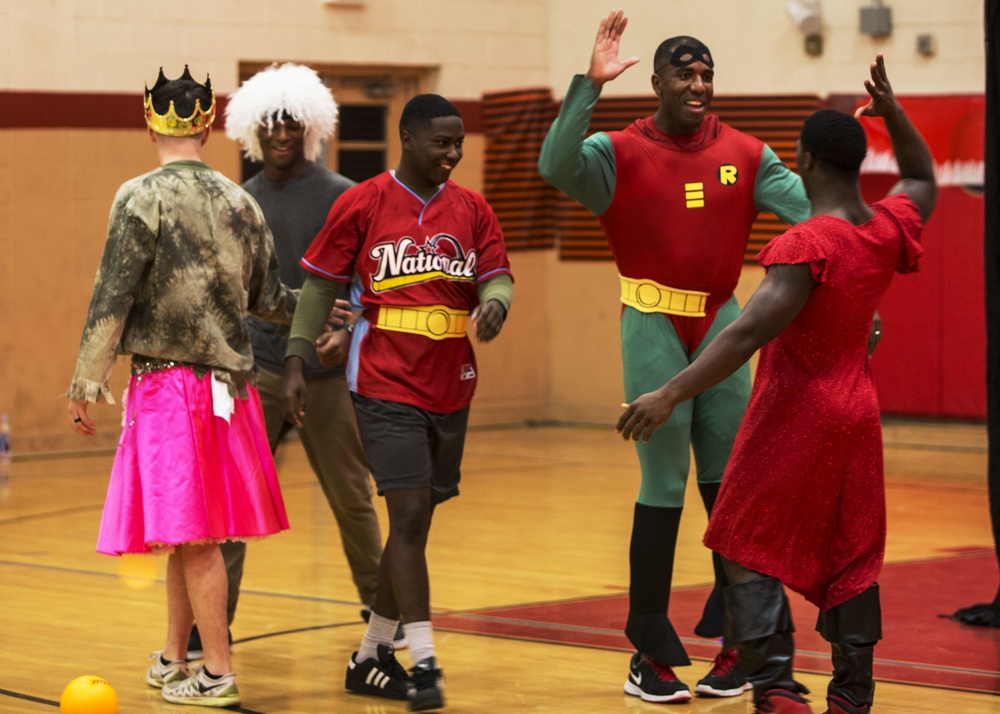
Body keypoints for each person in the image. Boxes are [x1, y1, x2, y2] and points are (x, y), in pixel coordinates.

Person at [616, 55, 936, 714]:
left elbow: (742, 336)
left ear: (810, 162)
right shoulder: (884, 228)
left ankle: (777, 688)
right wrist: (894, 111)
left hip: (796, 413)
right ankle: (851, 696)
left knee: (738, 537)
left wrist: (668, 393)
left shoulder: (806, 245)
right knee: (853, 554)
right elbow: (922, 176)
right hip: (858, 413)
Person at [537, 9, 810, 703]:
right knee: (662, 486)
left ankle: (738, 646)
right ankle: (648, 653)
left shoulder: (748, 154)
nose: (698, 84)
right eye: (684, 74)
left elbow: (815, 216)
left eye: (707, 74)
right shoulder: (617, 152)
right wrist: (588, 85)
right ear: (655, 80)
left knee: (729, 488)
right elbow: (552, 164)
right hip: (651, 322)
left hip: (722, 327)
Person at [66, 66, 295, 708]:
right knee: (187, 531)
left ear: (150, 124)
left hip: (170, 390)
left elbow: (114, 293)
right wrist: (319, 307)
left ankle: (216, 669)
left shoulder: (139, 196)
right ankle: (175, 656)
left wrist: (87, 379)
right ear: (206, 123)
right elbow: (271, 298)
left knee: (196, 538)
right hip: (231, 390)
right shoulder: (241, 200)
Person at [280, 93, 513, 711]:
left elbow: (496, 271)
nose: (453, 153)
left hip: (452, 381)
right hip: (381, 378)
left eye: (459, 143)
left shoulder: (472, 208)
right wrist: (297, 361)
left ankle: (368, 657)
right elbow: (320, 286)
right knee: (407, 517)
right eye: (442, 142)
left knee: (416, 524)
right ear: (408, 139)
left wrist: (496, 301)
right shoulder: (362, 202)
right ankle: (427, 660)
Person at [188, 61, 402, 656]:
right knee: (231, 503)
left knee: (352, 496)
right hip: (254, 369)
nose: (281, 135)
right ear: (253, 130)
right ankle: (215, 623)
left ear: (308, 128)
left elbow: (373, 282)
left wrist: (351, 330)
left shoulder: (343, 196)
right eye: (271, 125)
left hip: (328, 374)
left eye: (291, 125)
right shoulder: (238, 200)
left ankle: (381, 610)